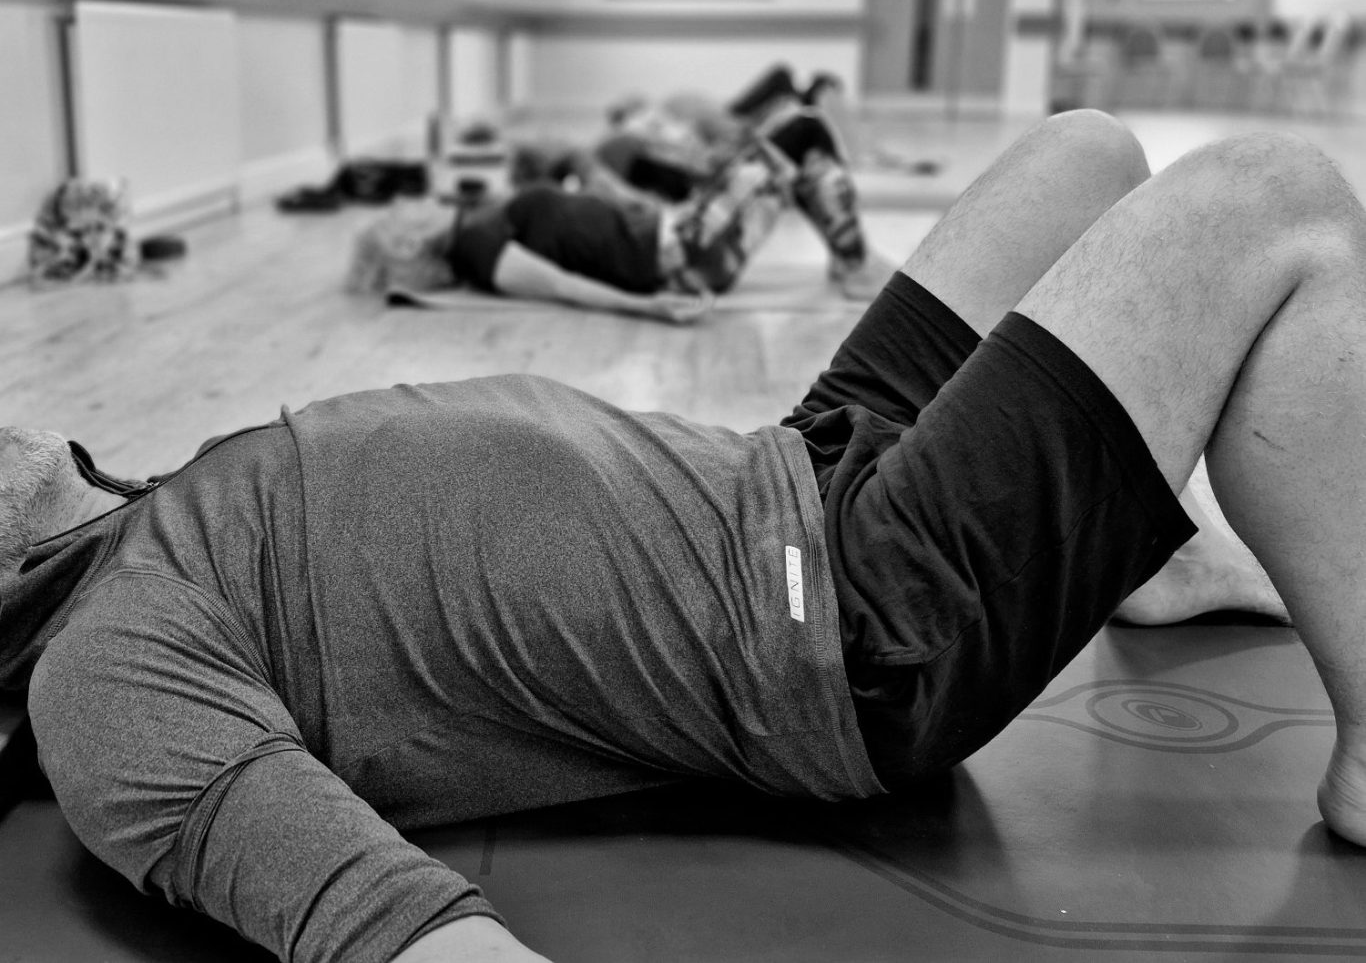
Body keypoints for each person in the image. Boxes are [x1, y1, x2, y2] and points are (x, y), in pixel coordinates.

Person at [7, 108, 1365, 963]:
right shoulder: (102, 676)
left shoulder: (130, 517)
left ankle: (1155, 551)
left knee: (1085, 154)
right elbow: (393, 928)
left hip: (795, 459)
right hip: (838, 625)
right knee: (1274, 195)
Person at [348, 108, 889, 318]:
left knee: (801, 140)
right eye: (407, 214)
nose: (416, 204)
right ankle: (853, 261)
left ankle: (851, 260)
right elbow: (562, 286)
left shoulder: (477, 222)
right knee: (803, 133)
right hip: (685, 255)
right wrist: (650, 306)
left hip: (681, 230)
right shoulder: (479, 249)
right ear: (410, 238)